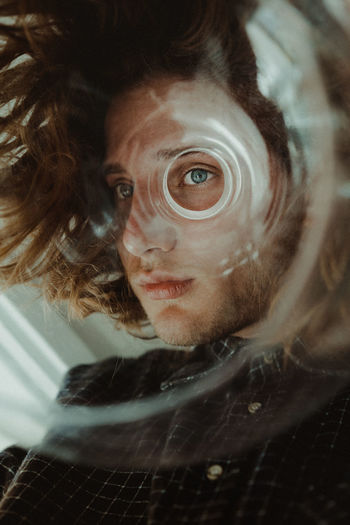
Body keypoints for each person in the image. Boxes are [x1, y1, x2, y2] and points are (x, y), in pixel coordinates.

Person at [0, 0, 350, 523]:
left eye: (195, 174)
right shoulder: (102, 399)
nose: (139, 239)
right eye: (122, 189)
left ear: (306, 181)